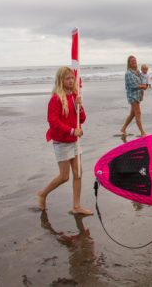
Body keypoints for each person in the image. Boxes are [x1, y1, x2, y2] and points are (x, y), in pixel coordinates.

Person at [38, 66, 93, 215]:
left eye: (72, 78)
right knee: (64, 176)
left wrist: (79, 107)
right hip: (62, 141)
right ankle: (42, 194)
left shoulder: (75, 96)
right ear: (60, 80)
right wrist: (71, 130)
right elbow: (53, 122)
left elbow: (82, 119)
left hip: (74, 141)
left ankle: (76, 206)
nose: (70, 80)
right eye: (67, 78)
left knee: (78, 173)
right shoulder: (56, 99)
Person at [121, 55, 148, 138]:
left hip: (138, 95)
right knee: (138, 113)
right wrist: (143, 87)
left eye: (135, 61)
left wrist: (144, 88)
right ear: (129, 63)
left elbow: (142, 80)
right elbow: (133, 85)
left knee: (133, 114)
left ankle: (123, 128)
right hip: (132, 96)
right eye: (132, 61)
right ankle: (142, 132)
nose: (134, 62)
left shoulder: (137, 71)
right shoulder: (128, 73)